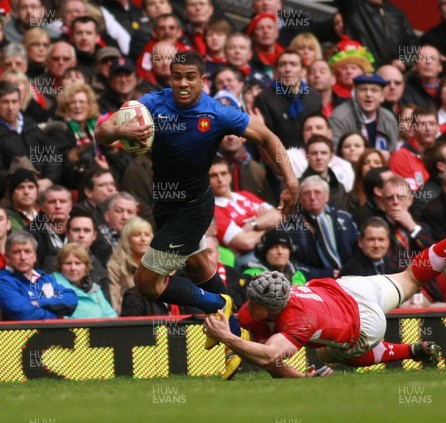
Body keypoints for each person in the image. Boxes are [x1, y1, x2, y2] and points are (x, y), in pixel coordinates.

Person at [95, 50, 298, 379]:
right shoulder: (151, 105)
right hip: (165, 205)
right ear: (170, 78)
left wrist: (290, 181)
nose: (183, 83)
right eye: (177, 77)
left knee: (146, 283)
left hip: (193, 209)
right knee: (198, 265)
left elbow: (267, 137)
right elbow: (101, 133)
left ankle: (217, 306)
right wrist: (121, 132)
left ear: (203, 80)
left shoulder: (217, 113)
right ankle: (234, 338)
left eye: (191, 77)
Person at [204, 203, 446, 378]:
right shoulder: (263, 302)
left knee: (328, 353)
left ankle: (406, 351)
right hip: (351, 288)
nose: (249, 307)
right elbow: (263, 346)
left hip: (363, 323)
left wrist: (228, 337)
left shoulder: (295, 323)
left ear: (271, 310)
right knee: (411, 276)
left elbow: (271, 357)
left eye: (255, 306)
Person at [288, 175, 357, 280]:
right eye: (307, 193)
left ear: (327, 196)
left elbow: (358, 250)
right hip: (314, 281)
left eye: (317, 192)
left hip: (350, 277)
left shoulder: (344, 218)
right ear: (301, 199)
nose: (312, 197)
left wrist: (348, 271)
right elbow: (290, 262)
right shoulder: (292, 225)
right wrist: (323, 274)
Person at [0, 231, 78, 321]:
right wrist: (56, 316)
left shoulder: (44, 277)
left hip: (53, 334)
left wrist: (39, 302)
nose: (23, 257)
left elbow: (71, 299)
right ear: (7, 257)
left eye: (27, 251)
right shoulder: (3, 281)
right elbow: (23, 313)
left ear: (35, 256)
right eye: (17, 252)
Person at [329, 73, 398, 154]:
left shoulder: (389, 118)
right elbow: (334, 152)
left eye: (374, 90)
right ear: (354, 93)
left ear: (382, 96)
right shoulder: (340, 117)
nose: (368, 94)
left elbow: (393, 150)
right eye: (363, 89)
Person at [53, 242, 117, 319]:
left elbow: (111, 316)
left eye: (78, 263)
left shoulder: (94, 289)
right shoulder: (50, 286)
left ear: (86, 267)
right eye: (68, 263)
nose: (73, 268)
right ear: (60, 266)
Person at [107, 216, 153, 314]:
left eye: (147, 234)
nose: (143, 239)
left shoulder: (158, 264)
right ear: (127, 239)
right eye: (137, 235)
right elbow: (114, 302)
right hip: (129, 318)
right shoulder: (115, 266)